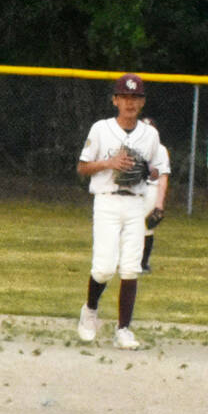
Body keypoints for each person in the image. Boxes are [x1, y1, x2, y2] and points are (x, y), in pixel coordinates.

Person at [76, 74, 166, 350]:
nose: (130, 102)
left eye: (135, 97)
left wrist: (146, 169)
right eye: (125, 97)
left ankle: (123, 329)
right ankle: (90, 309)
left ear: (142, 102)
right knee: (103, 268)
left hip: (135, 202)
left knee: (130, 267)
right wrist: (110, 163)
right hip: (107, 200)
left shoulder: (150, 134)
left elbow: (157, 169)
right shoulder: (101, 129)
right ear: (115, 100)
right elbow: (82, 167)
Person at [140, 122, 171, 275]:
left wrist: (159, 202)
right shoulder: (131, 146)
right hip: (133, 189)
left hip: (151, 188)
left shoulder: (160, 150)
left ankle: (143, 263)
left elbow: (163, 177)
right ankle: (127, 260)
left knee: (146, 228)